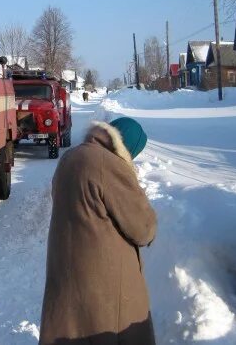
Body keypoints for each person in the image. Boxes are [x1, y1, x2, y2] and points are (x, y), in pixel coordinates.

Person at [39, 117, 157, 345]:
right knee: (105, 330)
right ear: (127, 148)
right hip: (102, 279)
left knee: (71, 328)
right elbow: (143, 229)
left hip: (66, 267)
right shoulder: (109, 165)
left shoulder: (70, 157)